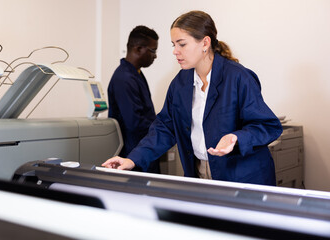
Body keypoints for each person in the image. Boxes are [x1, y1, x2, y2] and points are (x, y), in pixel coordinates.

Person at [102, 10, 283, 185]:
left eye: (182, 44)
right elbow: (164, 128)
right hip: (199, 172)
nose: (175, 51)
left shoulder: (238, 77)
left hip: (242, 176)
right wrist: (132, 160)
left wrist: (237, 138)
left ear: (205, 43)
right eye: (174, 45)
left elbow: (268, 126)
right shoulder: (180, 83)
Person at [107, 25, 161, 173]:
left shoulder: (135, 74)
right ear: (138, 49)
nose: (155, 56)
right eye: (153, 50)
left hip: (144, 148)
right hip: (133, 153)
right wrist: (162, 131)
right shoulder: (124, 78)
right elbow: (135, 123)